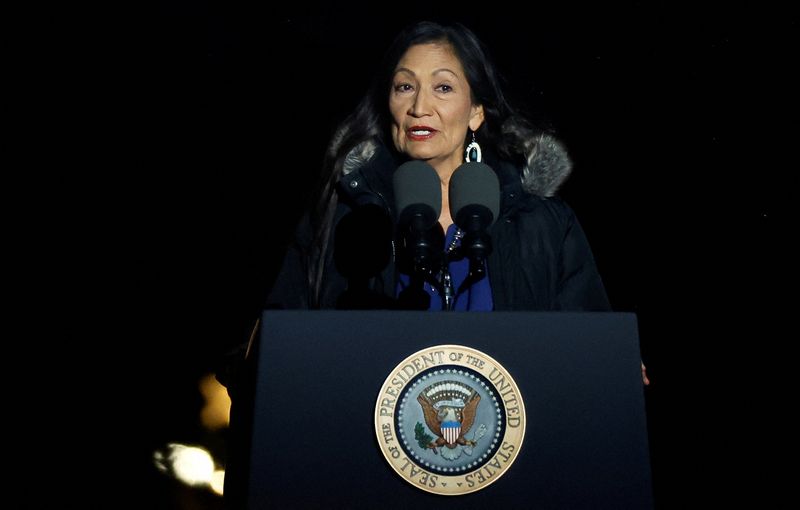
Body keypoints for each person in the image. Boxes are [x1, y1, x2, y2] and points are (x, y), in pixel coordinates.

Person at [220, 19, 648, 506]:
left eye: (443, 87)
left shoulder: (544, 223)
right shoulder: (340, 218)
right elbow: (280, 351)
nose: (419, 107)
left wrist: (611, 365)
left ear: (476, 111)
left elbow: (590, 356)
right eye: (405, 86)